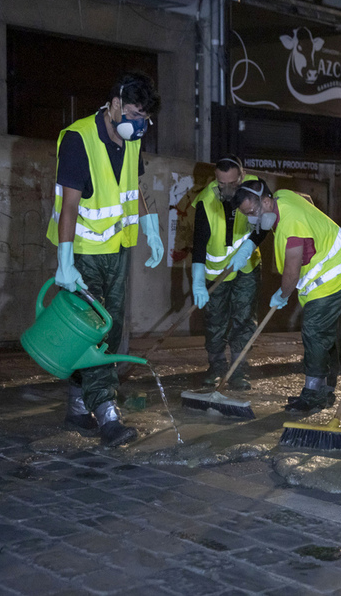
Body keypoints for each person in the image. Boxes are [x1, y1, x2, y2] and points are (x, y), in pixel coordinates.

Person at [46, 71, 163, 447]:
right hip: (82, 253)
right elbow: (69, 207)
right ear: (113, 104)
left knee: (108, 332)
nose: (138, 122)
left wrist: (151, 226)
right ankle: (107, 413)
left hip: (117, 250)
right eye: (132, 113)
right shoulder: (79, 139)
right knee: (97, 331)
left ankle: (80, 405)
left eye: (143, 116)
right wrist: (65, 262)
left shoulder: (132, 140)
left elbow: (134, 187)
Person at [234, 180, 341, 412]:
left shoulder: (292, 225)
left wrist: (282, 294)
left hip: (335, 274)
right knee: (323, 333)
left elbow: (292, 271)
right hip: (332, 266)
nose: (252, 220)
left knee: (313, 330)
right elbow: (307, 200)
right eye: (247, 215)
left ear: (266, 201)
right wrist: (250, 244)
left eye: (252, 213)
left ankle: (313, 394)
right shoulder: (282, 196)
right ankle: (325, 389)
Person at [190, 156, 268, 391]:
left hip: (246, 266)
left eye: (232, 184)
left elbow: (265, 222)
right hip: (215, 273)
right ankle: (216, 367)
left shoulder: (255, 189)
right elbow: (199, 244)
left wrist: (248, 247)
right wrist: (197, 282)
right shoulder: (205, 201)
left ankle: (238, 370)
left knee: (244, 320)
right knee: (215, 321)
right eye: (221, 183)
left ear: (241, 176)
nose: (226, 189)